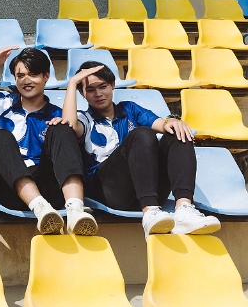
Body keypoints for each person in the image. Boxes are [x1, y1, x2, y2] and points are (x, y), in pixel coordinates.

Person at [63, 62, 221, 238]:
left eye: (103, 86)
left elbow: (162, 125)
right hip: (109, 192)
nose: (98, 94)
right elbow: (68, 127)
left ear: (112, 85)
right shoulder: (84, 119)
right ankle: (150, 211)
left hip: (147, 187)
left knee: (177, 132)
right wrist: (72, 83)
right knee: (142, 133)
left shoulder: (129, 109)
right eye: (90, 90)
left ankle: (184, 209)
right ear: (82, 93)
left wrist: (172, 121)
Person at [0, 47, 97, 235]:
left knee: (64, 127)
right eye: (20, 76)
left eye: (33, 74)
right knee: (0, 136)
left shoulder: (56, 114)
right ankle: (40, 208)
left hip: (47, 191)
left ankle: (75, 211)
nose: (26, 80)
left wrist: (72, 84)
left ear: (46, 76)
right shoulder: (2, 103)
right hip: (8, 190)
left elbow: (72, 128)